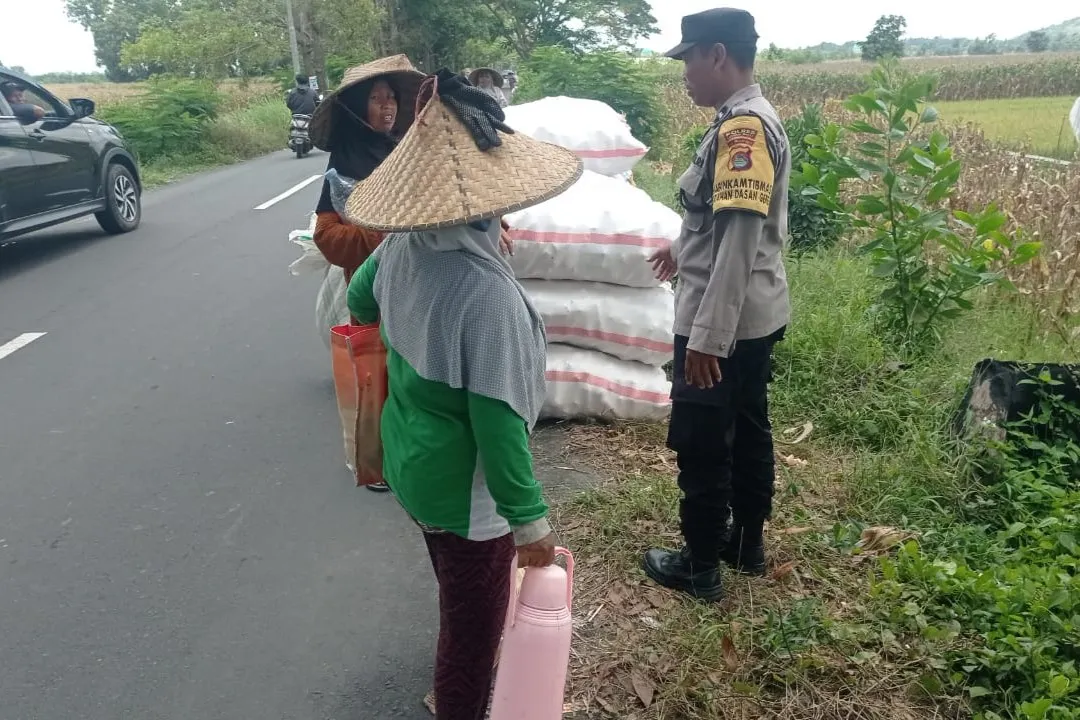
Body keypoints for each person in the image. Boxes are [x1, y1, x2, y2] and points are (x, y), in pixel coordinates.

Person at [343, 69, 582, 719]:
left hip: (411, 465)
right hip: (466, 496)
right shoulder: (488, 298)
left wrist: (417, 334)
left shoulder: (405, 244)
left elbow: (359, 300)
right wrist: (530, 524)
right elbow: (499, 427)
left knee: (457, 594)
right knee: (471, 641)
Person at [642, 8, 791, 602]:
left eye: (689, 59)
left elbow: (739, 240)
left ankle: (700, 564)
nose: (685, 73)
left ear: (718, 55)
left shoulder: (742, 131)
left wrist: (707, 337)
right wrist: (680, 247)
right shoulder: (747, 119)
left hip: (721, 320)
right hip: (754, 316)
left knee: (703, 438)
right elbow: (717, 219)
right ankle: (745, 543)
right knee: (749, 426)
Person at [309, 55, 425, 492]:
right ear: (359, 108)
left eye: (391, 97)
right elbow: (326, 235)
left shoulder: (403, 152)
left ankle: (415, 455)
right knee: (378, 376)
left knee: (415, 372)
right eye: (376, 99)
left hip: (419, 280)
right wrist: (378, 235)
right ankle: (376, 463)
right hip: (371, 288)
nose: (388, 106)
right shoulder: (344, 164)